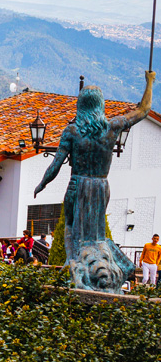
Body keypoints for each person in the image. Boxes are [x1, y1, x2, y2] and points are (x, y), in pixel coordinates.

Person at [34, 71, 154, 292]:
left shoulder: (71, 131)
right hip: (101, 187)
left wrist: (42, 184)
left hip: (77, 184)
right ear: (100, 106)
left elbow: (56, 164)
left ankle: (74, 263)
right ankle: (105, 265)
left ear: (81, 106)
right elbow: (144, 110)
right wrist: (150, 82)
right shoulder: (112, 127)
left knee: (70, 227)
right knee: (97, 234)